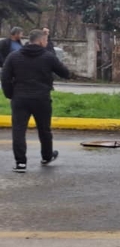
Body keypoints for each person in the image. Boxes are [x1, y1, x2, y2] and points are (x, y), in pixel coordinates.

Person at [2, 29, 71, 172]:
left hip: (20, 98)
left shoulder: (13, 56)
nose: (46, 43)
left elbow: (5, 77)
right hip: (41, 98)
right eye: (46, 41)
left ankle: (20, 163)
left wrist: (10, 94)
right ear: (41, 41)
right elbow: (65, 73)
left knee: (19, 130)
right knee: (44, 129)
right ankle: (46, 156)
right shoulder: (48, 57)